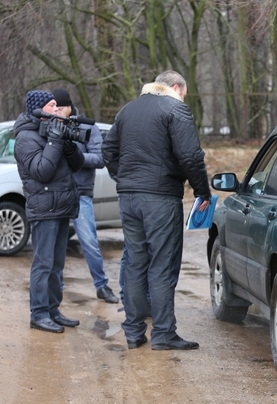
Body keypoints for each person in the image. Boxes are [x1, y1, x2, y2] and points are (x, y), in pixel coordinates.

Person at [102, 70, 211, 350]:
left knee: (136, 263)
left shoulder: (127, 110)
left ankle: (134, 331)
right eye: (183, 92)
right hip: (161, 197)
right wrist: (202, 192)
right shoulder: (176, 108)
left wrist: (125, 179)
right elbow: (190, 155)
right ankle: (163, 334)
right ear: (175, 87)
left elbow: (108, 151)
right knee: (162, 265)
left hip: (128, 197)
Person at [13, 90, 85, 333]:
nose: (57, 109)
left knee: (56, 264)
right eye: (52, 105)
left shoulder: (52, 130)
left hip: (62, 206)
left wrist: (65, 142)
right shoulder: (25, 137)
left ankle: (53, 310)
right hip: (44, 208)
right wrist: (55, 140)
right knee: (43, 263)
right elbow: (42, 171)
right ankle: (39, 313)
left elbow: (77, 165)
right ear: (40, 109)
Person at [52, 88, 119, 304]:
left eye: (60, 108)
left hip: (80, 193)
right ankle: (57, 290)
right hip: (57, 193)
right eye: (54, 108)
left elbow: (100, 159)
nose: (57, 112)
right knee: (56, 244)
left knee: (89, 242)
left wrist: (75, 157)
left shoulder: (87, 126)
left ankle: (101, 286)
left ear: (70, 106)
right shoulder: (51, 124)